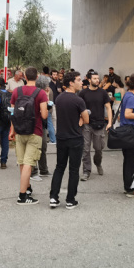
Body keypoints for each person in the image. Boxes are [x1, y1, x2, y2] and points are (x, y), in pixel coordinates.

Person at [49, 71, 88, 210]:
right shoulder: (79, 100)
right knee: (73, 169)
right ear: (71, 83)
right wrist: (82, 117)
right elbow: (87, 119)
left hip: (61, 137)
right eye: (78, 80)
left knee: (59, 167)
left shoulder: (59, 98)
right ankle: (70, 200)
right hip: (75, 138)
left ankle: (53, 197)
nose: (81, 82)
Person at [10, 67, 49, 205]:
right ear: (37, 77)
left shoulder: (17, 91)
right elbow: (44, 115)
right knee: (28, 164)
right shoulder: (41, 93)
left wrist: (12, 130)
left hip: (20, 131)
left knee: (22, 162)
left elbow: (13, 113)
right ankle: (22, 196)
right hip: (35, 131)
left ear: (24, 77)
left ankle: (27, 188)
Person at [78, 71, 112, 180]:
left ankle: (98, 163)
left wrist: (110, 122)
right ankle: (86, 171)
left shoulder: (103, 93)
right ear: (89, 80)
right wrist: (80, 119)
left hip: (99, 125)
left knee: (98, 148)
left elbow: (108, 107)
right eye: (95, 78)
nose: (97, 80)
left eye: (98, 78)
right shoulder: (83, 93)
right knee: (85, 149)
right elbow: (79, 108)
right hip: (87, 125)